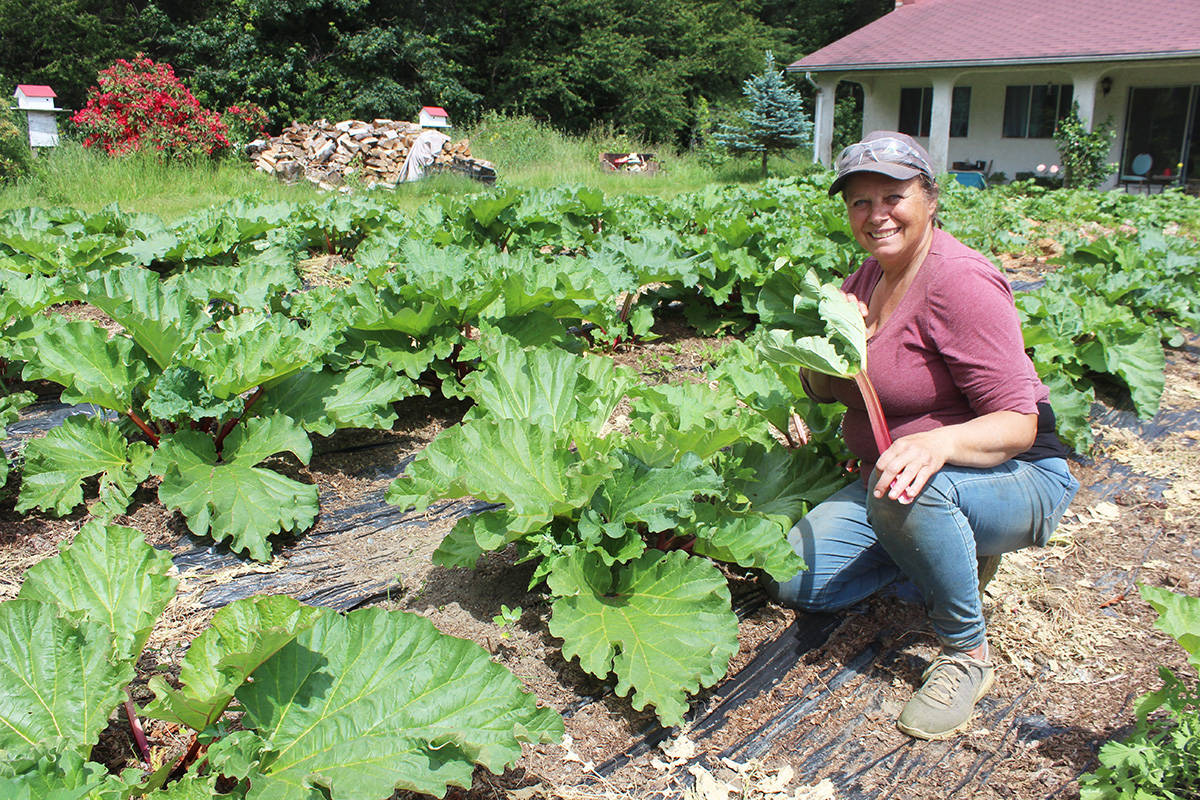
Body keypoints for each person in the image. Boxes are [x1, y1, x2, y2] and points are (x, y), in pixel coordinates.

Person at [764, 131, 1079, 740]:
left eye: (893, 195)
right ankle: (936, 551)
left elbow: (1019, 423)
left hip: (1015, 476)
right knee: (791, 578)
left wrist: (937, 444)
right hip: (901, 479)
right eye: (859, 201)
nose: (876, 214)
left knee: (901, 490)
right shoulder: (863, 282)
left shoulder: (959, 281)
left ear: (930, 198)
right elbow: (827, 388)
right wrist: (828, 357)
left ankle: (966, 653)